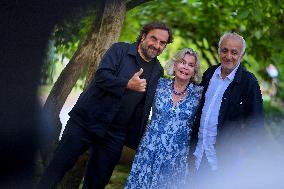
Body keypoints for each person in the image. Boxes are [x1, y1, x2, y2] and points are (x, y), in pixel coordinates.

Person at [37, 22, 173, 189]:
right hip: (86, 122)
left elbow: (143, 105)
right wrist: (127, 84)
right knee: (55, 170)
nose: (157, 45)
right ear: (143, 35)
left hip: (115, 134)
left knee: (97, 183)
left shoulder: (158, 70)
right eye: (154, 39)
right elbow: (101, 76)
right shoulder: (120, 50)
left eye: (162, 43)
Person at [191, 32, 264, 188]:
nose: (228, 56)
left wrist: (242, 153)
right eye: (224, 50)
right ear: (219, 51)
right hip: (199, 152)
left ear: (241, 55)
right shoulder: (210, 73)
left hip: (224, 159)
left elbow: (256, 123)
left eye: (234, 52)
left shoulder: (249, 82)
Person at [124, 48, 203, 189]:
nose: (185, 67)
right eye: (182, 62)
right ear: (175, 64)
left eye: (190, 65)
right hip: (150, 148)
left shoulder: (199, 94)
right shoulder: (158, 85)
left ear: (194, 72)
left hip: (177, 155)